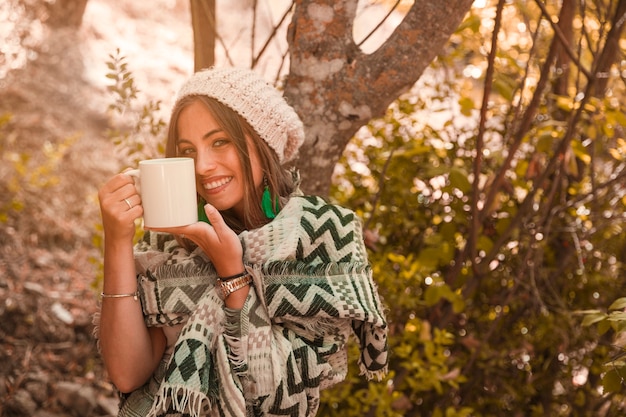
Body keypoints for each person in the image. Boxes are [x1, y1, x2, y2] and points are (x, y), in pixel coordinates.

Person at [96, 67, 388, 417]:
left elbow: (281, 402)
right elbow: (128, 373)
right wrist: (116, 241)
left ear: (261, 141)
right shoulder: (171, 237)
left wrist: (231, 274)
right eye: (188, 150)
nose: (202, 166)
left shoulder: (320, 235)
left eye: (220, 142)